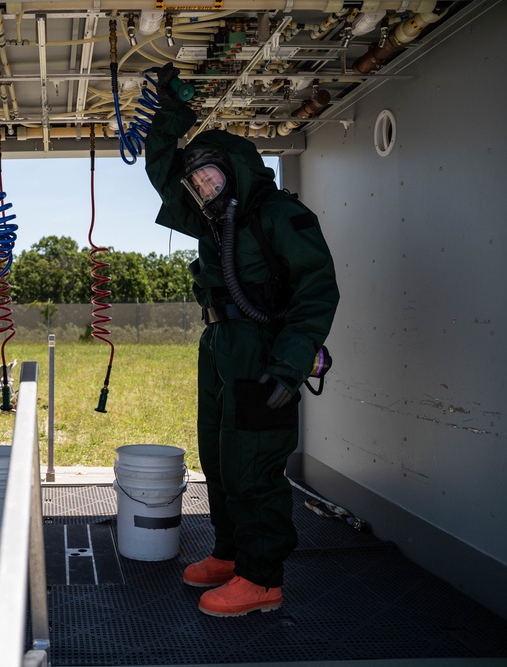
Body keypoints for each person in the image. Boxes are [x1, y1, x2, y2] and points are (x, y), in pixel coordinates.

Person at [145, 63, 339, 617]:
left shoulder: (279, 214)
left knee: (254, 463)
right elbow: (162, 169)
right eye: (198, 184)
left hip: (265, 351)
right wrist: (171, 112)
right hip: (221, 345)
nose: (203, 189)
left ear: (236, 169)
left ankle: (262, 579)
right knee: (222, 456)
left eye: (210, 178)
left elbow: (318, 290)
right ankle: (231, 553)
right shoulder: (210, 220)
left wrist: (291, 363)